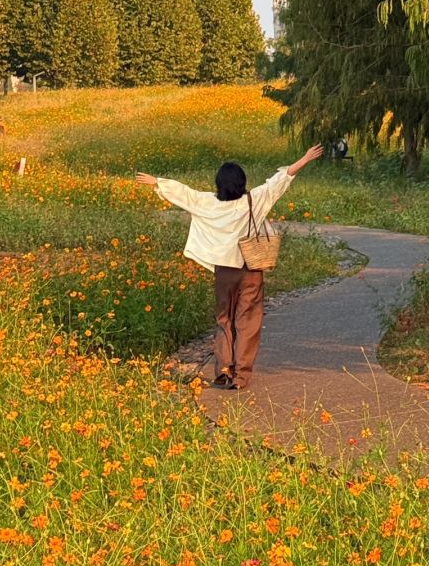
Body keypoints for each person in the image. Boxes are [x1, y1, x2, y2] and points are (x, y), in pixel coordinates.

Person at [136, 145, 324, 390]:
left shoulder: (208, 203)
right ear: (242, 181)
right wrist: (305, 159)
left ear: (218, 184)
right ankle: (241, 376)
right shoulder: (253, 200)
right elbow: (280, 180)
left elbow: (186, 194)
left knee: (224, 319)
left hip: (224, 272)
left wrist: (157, 182)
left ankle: (224, 371)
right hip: (250, 269)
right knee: (247, 321)